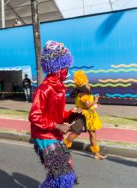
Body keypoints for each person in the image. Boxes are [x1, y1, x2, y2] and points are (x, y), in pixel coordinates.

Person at [28, 41, 78, 187]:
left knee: (61, 173)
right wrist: (57, 125)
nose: (67, 71)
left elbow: (58, 113)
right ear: (57, 68)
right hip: (44, 137)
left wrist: (71, 114)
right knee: (64, 176)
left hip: (55, 135)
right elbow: (34, 116)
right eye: (65, 67)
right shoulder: (44, 89)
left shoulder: (59, 88)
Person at [64, 70, 107, 160]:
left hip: (89, 115)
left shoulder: (83, 93)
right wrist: (95, 100)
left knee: (92, 133)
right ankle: (63, 148)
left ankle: (96, 153)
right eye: (87, 83)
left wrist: (94, 104)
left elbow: (87, 104)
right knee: (76, 132)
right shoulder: (83, 94)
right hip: (83, 116)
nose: (89, 85)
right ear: (84, 85)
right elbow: (87, 105)